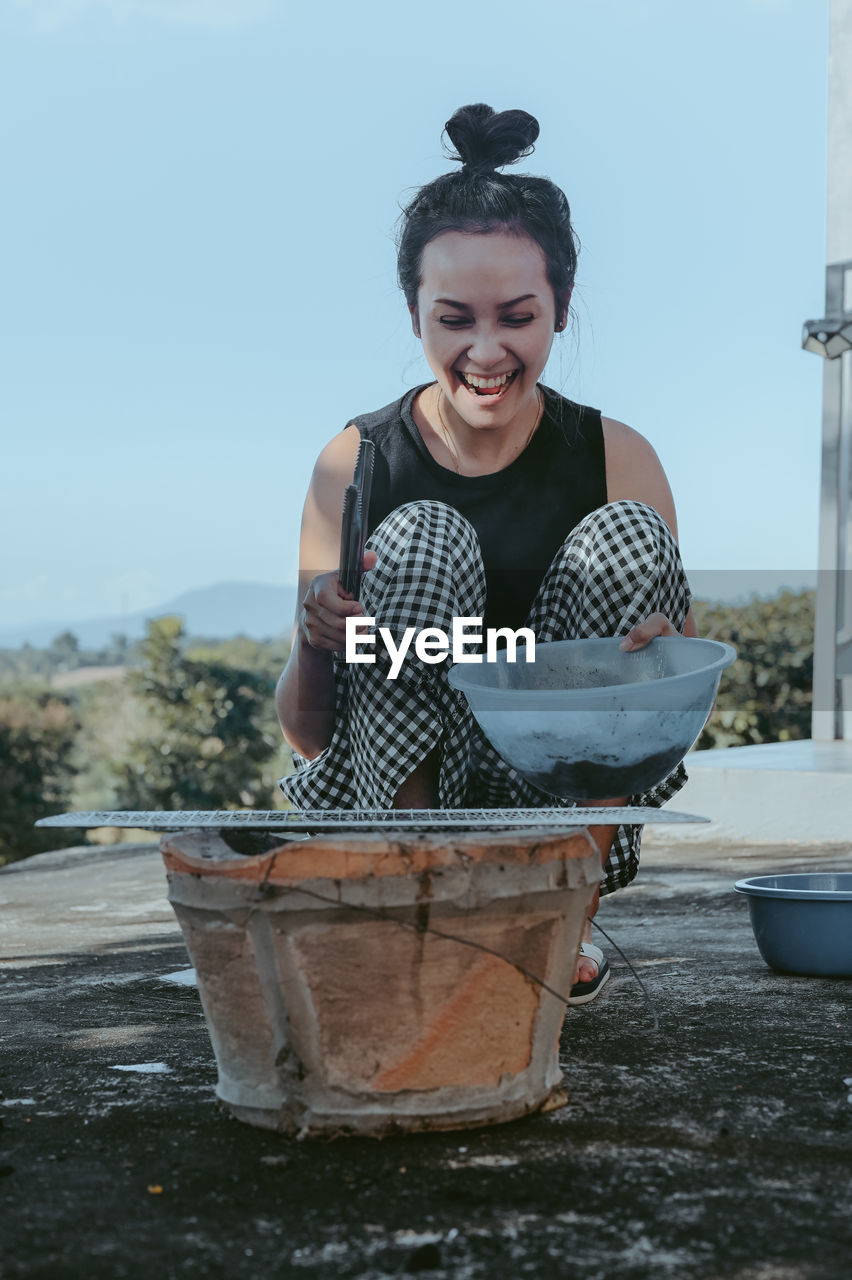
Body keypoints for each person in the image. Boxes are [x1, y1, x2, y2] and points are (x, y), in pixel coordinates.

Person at [276, 103, 696, 1003]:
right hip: (400, 791)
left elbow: (659, 737)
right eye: (454, 319)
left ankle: (557, 926)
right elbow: (310, 734)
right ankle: (421, 907)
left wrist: (657, 664)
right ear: (415, 313)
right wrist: (318, 637)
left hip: (553, 781)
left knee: (628, 537)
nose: (485, 351)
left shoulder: (620, 459)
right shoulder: (355, 463)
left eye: (517, 316)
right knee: (424, 537)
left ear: (561, 310)